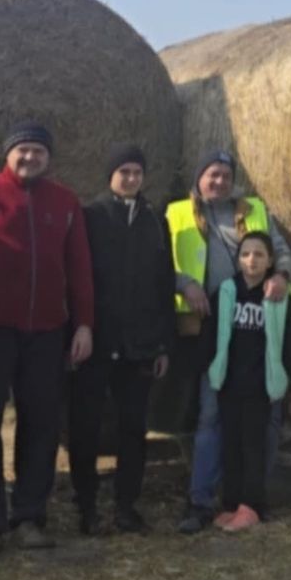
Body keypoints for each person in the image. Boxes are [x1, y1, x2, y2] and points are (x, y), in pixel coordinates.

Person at [0, 120, 95, 560]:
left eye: (38, 151)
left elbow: (80, 269)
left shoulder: (65, 202)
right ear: (7, 153)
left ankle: (30, 516)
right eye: (23, 150)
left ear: (49, 157)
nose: (30, 158)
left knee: (41, 425)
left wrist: (84, 323)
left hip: (48, 331)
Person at [167, 149, 291, 533]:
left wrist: (283, 276)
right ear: (198, 178)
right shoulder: (177, 213)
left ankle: (255, 499)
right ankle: (201, 501)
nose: (219, 181)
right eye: (212, 174)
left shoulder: (253, 209)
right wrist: (185, 283)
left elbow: (281, 250)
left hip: (255, 328)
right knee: (211, 415)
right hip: (210, 327)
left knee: (264, 419)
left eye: (225, 175)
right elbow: (163, 263)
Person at [69, 143, 177, 535]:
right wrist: (78, 331)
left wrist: (164, 342)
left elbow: (164, 282)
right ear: (110, 175)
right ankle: (86, 507)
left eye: (136, 172)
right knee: (87, 427)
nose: (131, 178)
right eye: (124, 172)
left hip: (141, 345)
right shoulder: (91, 216)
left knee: (134, 429)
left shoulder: (154, 219)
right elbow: (77, 277)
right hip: (98, 342)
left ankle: (126, 507)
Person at [200, 232, 291, 531]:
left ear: (271, 260)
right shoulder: (227, 292)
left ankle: (252, 505)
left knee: (254, 446)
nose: (252, 260)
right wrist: (210, 367)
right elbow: (211, 334)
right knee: (230, 446)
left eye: (259, 254)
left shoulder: (279, 297)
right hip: (229, 383)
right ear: (238, 259)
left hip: (261, 387)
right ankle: (231, 504)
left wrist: (286, 376)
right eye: (245, 254)